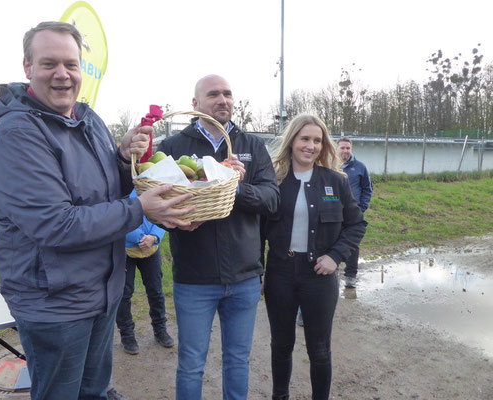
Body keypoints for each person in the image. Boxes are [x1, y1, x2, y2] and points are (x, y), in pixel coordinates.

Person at [0, 21, 193, 400]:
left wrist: (123, 157)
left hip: (100, 291)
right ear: (28, 68)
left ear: (81, 69)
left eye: (71, 64)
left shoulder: (88, 120)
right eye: (49, 64)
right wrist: (139, 207)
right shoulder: (17, 134)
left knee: (93, 390)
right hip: (54, 302)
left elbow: (108, 190)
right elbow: (57, 225)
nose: (62, 74)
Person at [158, 74, 279, 400]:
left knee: (237, 360)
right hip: (194, 279)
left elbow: (271, 199)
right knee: (191, 362)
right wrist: (175, 222)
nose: (222, 100)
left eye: (227, 94)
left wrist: (235, 186)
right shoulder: (173, 147)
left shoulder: (252, 145)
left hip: (244, 278)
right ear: (195, 104)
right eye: (213, 94)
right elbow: (160, 207)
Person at [263, 114, 367, 400]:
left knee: (319, 349)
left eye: (317, 141)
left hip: (319, 277)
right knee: (281, 345)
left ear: (324, 146)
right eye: (305, 139)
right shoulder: (273, 180)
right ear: (292, 141)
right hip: (280, 273)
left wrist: (335, 256)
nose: (310, 146)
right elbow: (257, 228)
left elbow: (356, 224)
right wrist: (257, 271)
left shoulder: (336, 181)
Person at [116, 190, 174, 355]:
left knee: (156, 291)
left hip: (151, 247)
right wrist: (140, 238)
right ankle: (127, 335)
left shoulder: (152, 183)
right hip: (125, 249)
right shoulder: (123, 184)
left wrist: (154, 237)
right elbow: (119, 215)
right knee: (124, 293)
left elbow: (163, 211)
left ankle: (160, 330)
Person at [337, 136, 373, 288]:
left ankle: (350, 276)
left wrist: (361, 207)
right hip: (333, 212)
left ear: (351, 149)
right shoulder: (329, 164)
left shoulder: (360, 167)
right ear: (337, 148)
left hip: (353, 213)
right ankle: (331, 272)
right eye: (342, 147)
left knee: (352, 244)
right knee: (330, 240)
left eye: (348, 148)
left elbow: (367, 188)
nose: (345, 150)